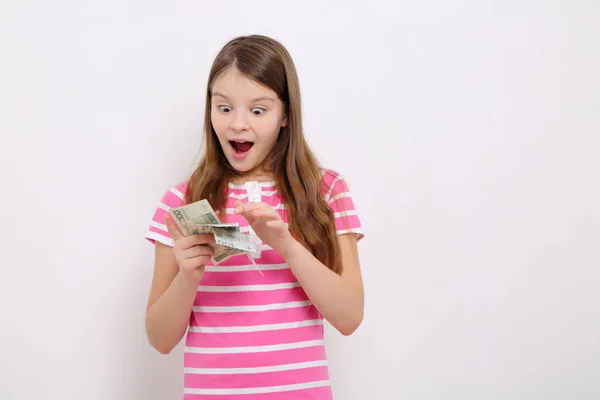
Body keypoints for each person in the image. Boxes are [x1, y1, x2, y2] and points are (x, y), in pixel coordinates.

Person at [144, 34, 365, 399]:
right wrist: (188, 275)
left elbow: (349, 316)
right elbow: (160, 339)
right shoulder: (182, 201)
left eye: (258, 110)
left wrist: (287, 246)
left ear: (285, 116)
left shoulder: (325, 192)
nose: (237, 124)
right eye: (224, 107)